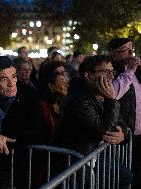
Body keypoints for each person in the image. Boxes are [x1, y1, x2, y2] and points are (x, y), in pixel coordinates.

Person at [53, 55, 132, 188]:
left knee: (124, 175)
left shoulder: (98, 95)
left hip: (90, 157)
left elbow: (121, 123)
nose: (111, 77)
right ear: (88, 76)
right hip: (74, 162)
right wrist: (111, 100)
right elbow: (106, 129)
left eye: (111, 72)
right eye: (106, 72)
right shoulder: (78, 100)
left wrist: (123, 135)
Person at [0, 56, 42, 188]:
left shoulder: (29, 95)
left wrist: (4, 140)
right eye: (4, 79)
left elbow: (36, 132)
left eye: (14, 76)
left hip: (22, 164)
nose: (11, 83)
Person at [108, 38, 141, 189]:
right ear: (114, 55)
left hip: (139, 134)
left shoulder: (135, 71)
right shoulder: (112, 72)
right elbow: (113, 93)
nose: (130, 52)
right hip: (126, 137)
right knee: (128, 176)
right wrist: (129, 71)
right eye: (125, 50)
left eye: (131, 48)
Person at [39, 61, 69, 144]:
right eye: (60, 77)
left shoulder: (67, 101)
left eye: (64, 73)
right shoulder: (42, 106)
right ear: (50, 85)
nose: (66, 82)